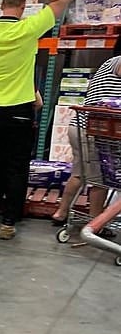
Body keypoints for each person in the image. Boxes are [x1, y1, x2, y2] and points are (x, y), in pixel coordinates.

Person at [0, 0, 73, 240]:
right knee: (17, 168)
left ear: (1, 4)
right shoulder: (29, 28)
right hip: (21, 111)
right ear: (24, 6)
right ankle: (8, 225)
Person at [51, 54, 121, 228]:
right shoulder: (118, 62)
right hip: (95, 129)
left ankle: (61, 213)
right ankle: (94, 224)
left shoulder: (107, 63)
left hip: (80, 124)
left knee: (79, 173)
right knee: (102, 178)